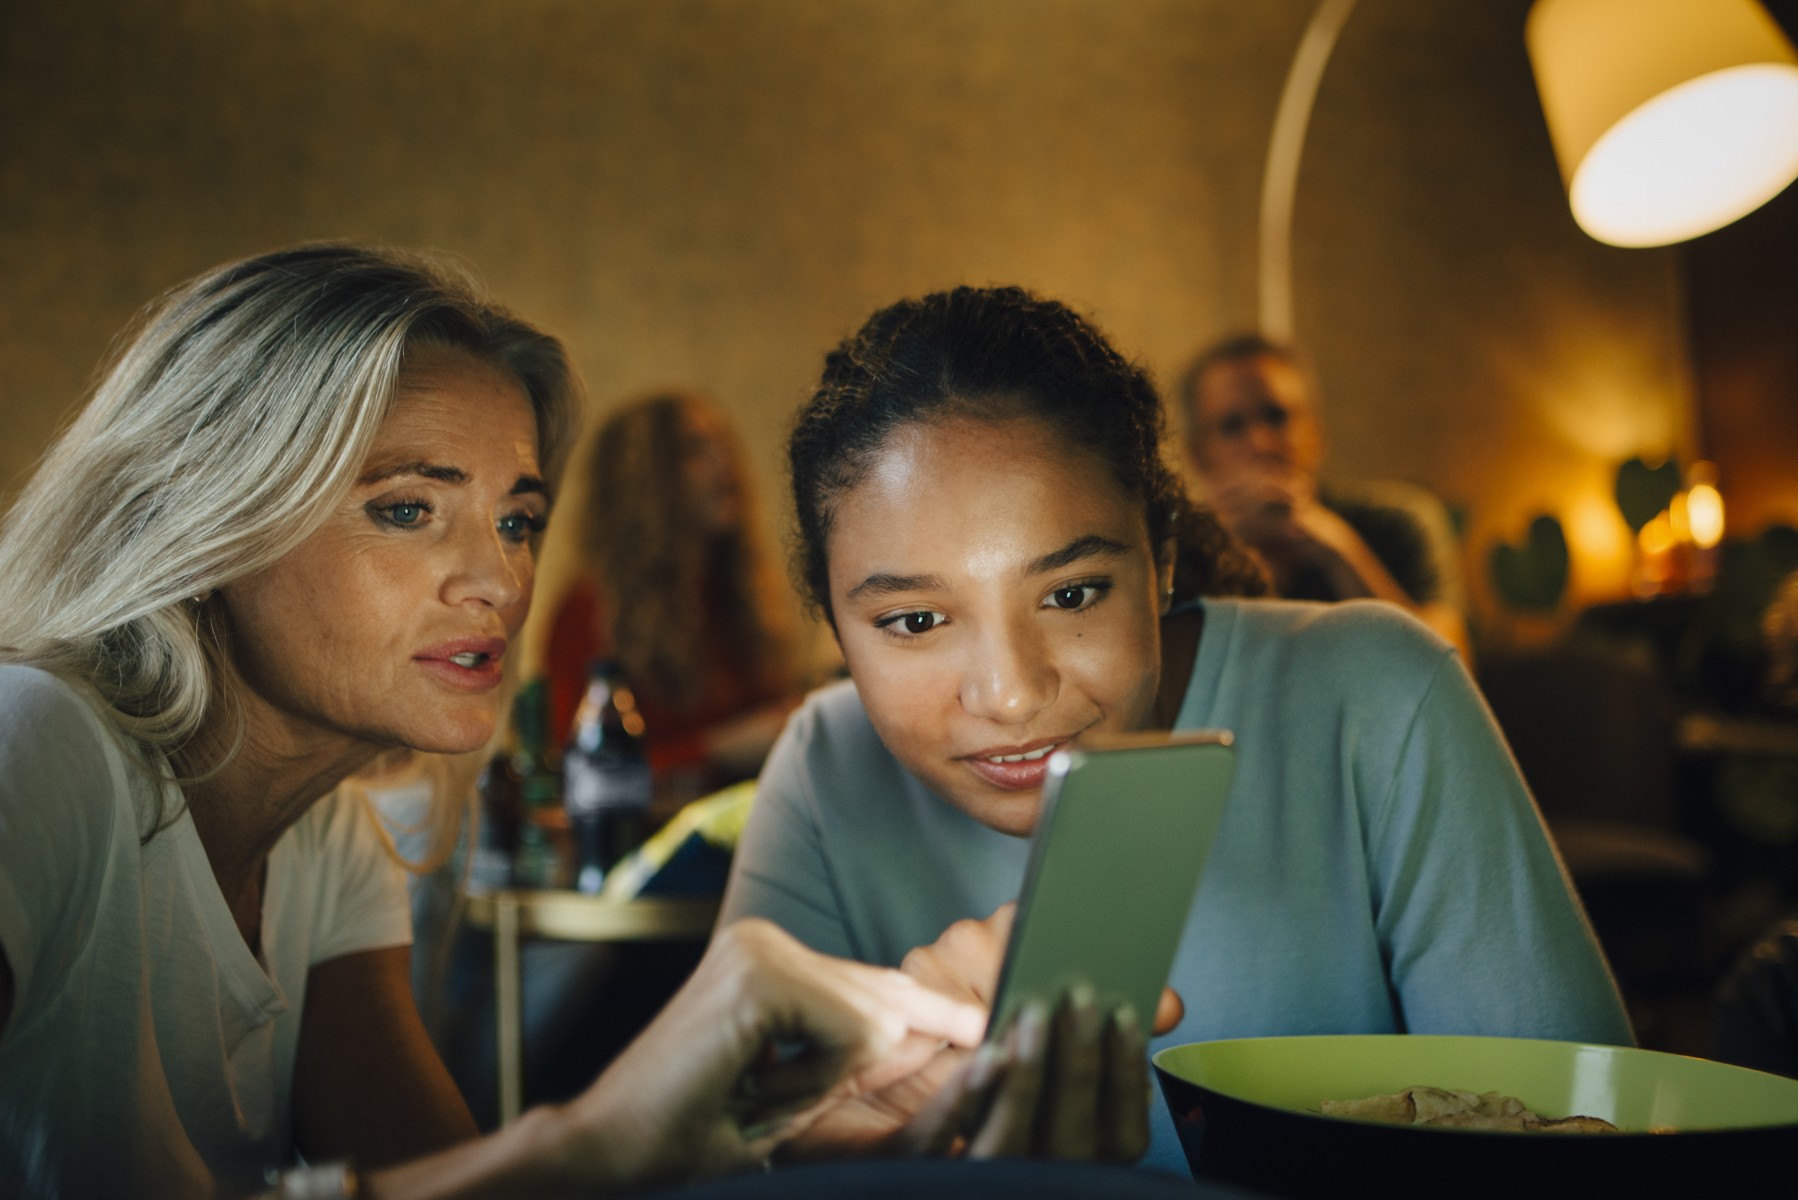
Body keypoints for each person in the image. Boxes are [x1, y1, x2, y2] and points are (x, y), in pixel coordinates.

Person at [0, 247, 1122, 1200]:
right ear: (207, 516)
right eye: (406, 510)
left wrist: (745, 1135)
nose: (495, 579)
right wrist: (593, 1134)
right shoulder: (34, 748)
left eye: (517, 519)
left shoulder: (331, 848)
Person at [719, 285, 1634, 1175]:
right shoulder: (821, 764)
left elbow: (1586, 1147)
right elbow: (733, 1151)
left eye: (1071, 594)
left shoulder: (1378, 694)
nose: (1008, 695)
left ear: (1158, 559)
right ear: (835, 628)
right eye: (915, 621)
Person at [546, 391, 802, 790]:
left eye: (723, 445)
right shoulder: (590, 611)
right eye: (693, 450)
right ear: (645, 480)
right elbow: (581, 778)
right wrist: (716, 750)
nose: (724, 464)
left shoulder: (736, 598)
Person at [1177, 334, 1471, 659]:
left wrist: (1339, 551)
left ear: (1317, 432)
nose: (1260, 443)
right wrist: (1214, 551)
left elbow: (1454, 672)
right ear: (1198, 456)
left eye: (1276, 416)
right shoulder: (1172, 556)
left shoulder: (1400, 522)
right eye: (1232, 426)